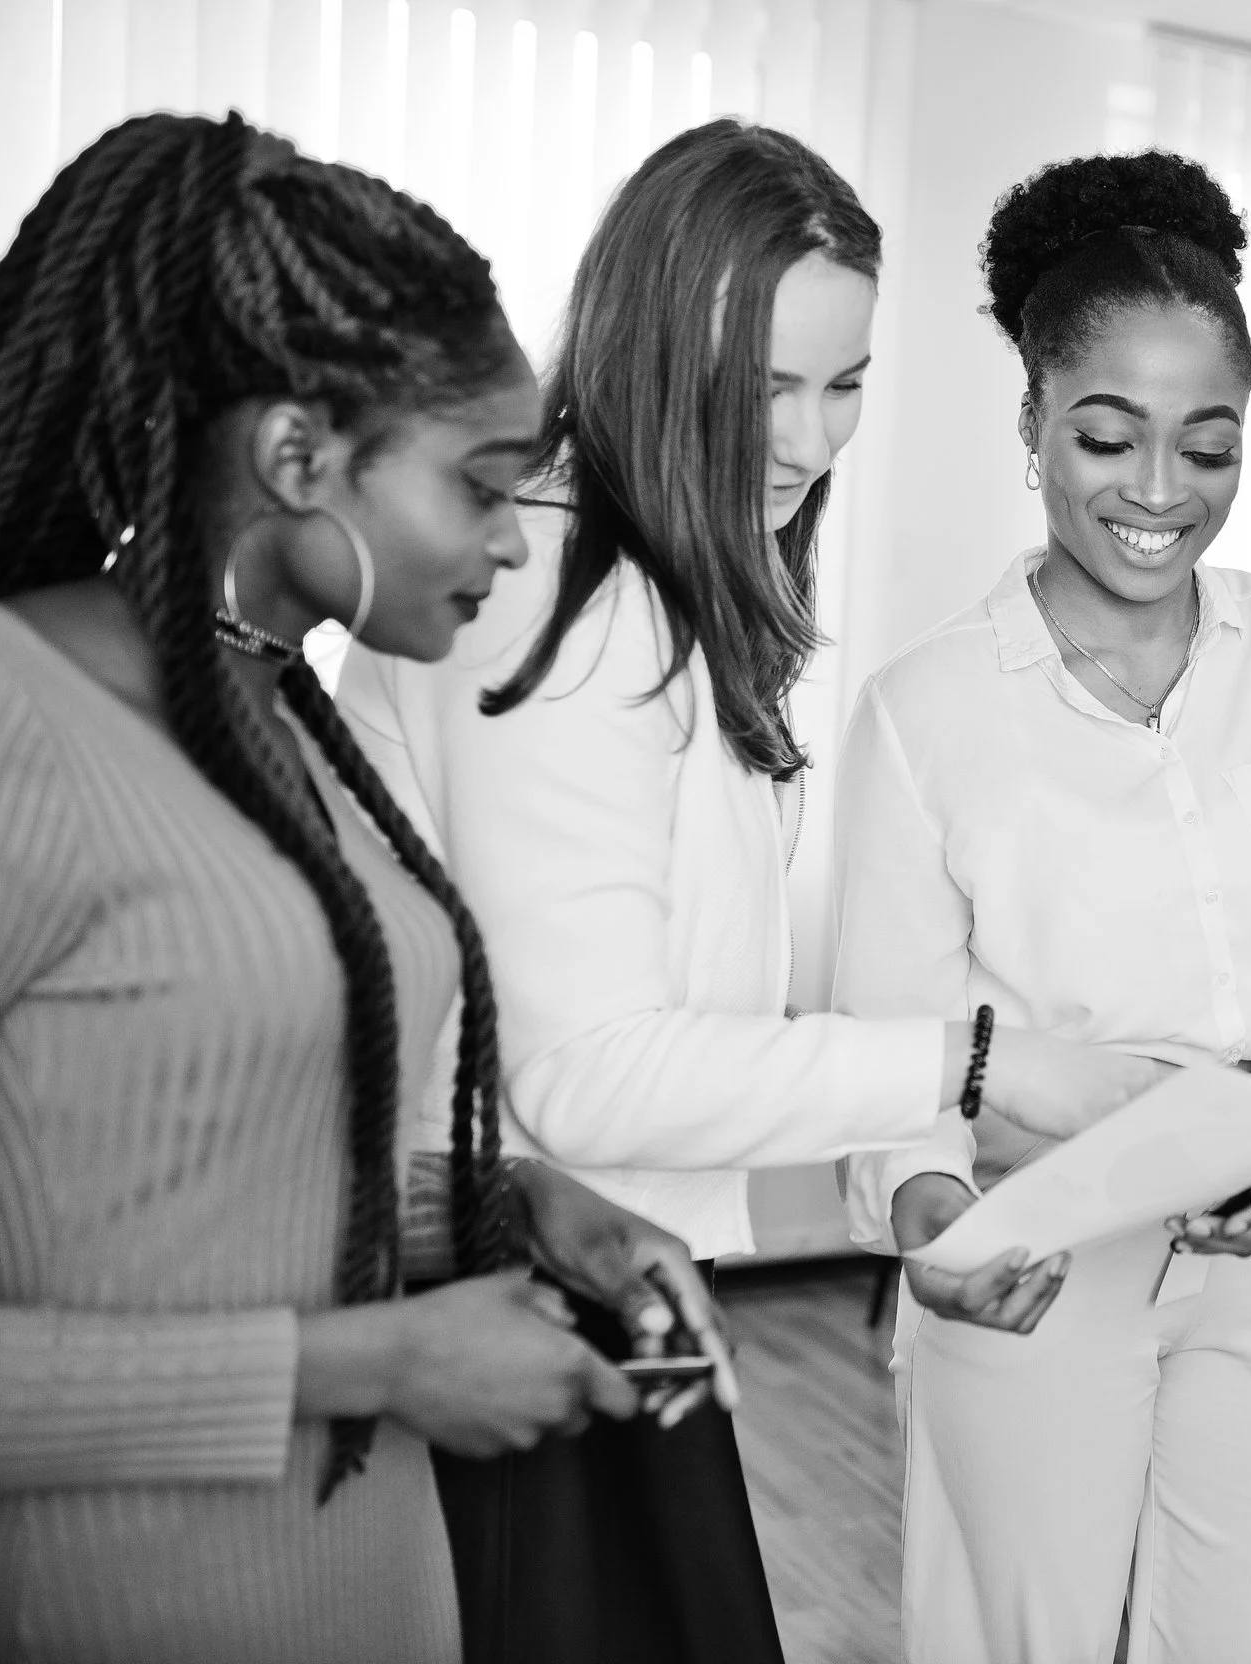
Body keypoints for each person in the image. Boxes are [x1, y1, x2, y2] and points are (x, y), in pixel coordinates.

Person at [336, 121, 1156, 1662]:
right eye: (764, 387)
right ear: (653, 353)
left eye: (844, 384)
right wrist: (974, 1061)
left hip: (607, 1278)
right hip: (496, 1301)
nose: (811, 440)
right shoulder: (549, 589)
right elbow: (588, 1074)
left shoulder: (661, 581)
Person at [0, 112, 731, 1663]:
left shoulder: (276, 722)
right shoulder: (6, 718)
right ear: (296, 458)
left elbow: (181, 1179)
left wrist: (521, 1210)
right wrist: (363, 1367)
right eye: (479, 486)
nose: (513, 548)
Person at [833, 151, 1251, 1663]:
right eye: (1108, 437)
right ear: (1031, 424)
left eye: (1207, 448)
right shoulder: (924, 712)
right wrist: (931, 1211)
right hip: (1036, 1241)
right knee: (1019, 1638)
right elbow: (895, 1045)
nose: (1159, 495)